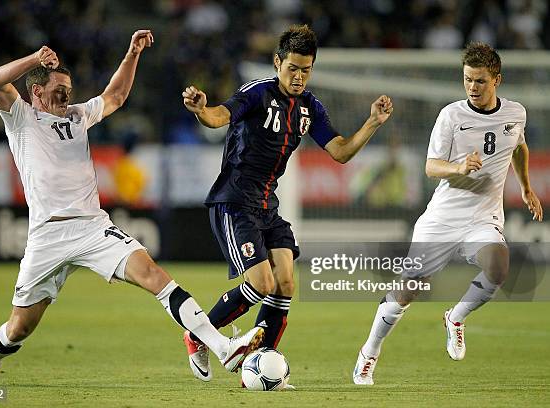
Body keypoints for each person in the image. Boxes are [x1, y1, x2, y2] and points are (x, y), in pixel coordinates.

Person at [0, 30, 264, 386]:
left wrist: (132, 52)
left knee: (154, 276)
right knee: (20, 326)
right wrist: (35, 59)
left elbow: (115, 95)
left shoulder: (78, 116)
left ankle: (222, 347)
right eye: (58, 90)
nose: (67, 96)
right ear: (36, 91)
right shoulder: (20, 118)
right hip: (47, 234)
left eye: (69, 90)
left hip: (92, 227)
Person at [181, 24, 393, 382]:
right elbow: (220, 116)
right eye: (292, 68)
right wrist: (202, 109)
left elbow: (340, 151)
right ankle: (197, 334)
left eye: (305, 70)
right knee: (261, 283)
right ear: (277, 62)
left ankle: (263, 359)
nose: (298, 77)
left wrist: (372, 122)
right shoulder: (256, 93)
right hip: (234, 202)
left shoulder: (310, 107)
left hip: (267, 206)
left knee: (286, 283)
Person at [352, 42, 543, 385]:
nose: (472, 87)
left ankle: (455, 317)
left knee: (498, 267)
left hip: (483, 218)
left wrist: (526, 188)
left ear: (496, 79)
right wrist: (458, 167)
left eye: (480, 81)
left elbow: (520, 147)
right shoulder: (451, 115)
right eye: (468, 79)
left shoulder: (516, 113)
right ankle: (369, 352)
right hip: (442, 217)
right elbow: (430, 167)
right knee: (407, 290)